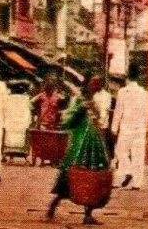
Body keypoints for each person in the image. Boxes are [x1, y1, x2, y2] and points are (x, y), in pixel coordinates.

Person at [47, 76, 111, 226]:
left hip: (93, 147)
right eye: (94, 83)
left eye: (98, 84)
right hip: (80, 146)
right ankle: (54, 205)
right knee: (71, 178)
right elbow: (69, 121)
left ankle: (87, 214)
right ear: (88, 85)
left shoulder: (90, 103)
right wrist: (76, 114)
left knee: (92, 179)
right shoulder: (81, 103)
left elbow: (98, 121)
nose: (97, 86)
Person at [111, 63, 148, 190]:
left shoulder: (123, 92)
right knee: (138, 155)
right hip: (139, 128)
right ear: (139, 76)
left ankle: (127, 171)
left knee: (121, 152)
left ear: (128, 75)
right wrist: (145, 128)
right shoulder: (144, 93)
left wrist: (114, 128)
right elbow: (147, 112)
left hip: (126, 127)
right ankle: (137, 183)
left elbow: (118, 111)